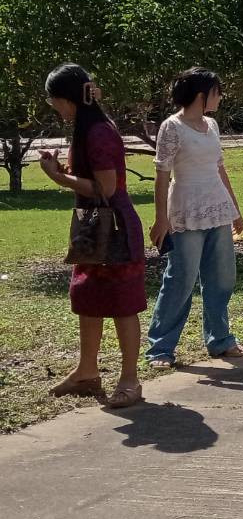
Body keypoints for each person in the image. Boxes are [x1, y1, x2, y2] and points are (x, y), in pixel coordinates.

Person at [37, 64, 147, 409]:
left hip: (112, 228)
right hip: (93, 226)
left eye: (55, 101)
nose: (56, 108)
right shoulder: (88, 130)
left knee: (122, 303)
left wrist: (58, 177)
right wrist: (68, 171)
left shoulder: (98, 132)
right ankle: (87, 372)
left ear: (67, 99)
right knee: (89, 297)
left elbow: (106, 188)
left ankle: (130, 378)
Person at [144, 67, 243, 370]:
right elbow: (161, 175)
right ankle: (161, 347)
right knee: (181, 279)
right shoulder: (171, 127)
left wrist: (235, 209)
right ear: (202, 95)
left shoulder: (212, 125)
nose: (220, 97)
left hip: (217, 208)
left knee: (222, 277)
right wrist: (161, 219)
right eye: (217, 91)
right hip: (185, 210)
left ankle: (220, 339)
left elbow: (219, 167)